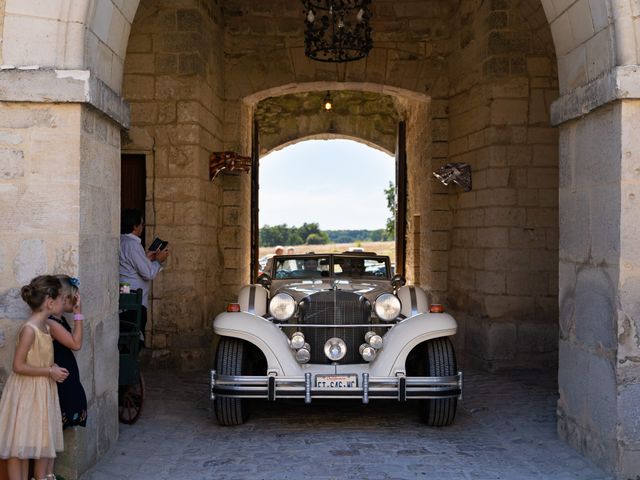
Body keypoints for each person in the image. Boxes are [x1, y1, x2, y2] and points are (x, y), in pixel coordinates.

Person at [0, 275, 69, 480]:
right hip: (26, 391)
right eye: (61, 299)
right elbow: (18, 365)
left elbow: (39, 358)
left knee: (40, 437)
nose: (63, 303)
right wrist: (49, 371)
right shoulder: (29, 330)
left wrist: (51, 366)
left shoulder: (46, 327)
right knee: (18, 442)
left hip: (42, 389)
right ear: (50, 302)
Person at [119, 208, 169, 345]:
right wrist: (159, 260)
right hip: (135, 302)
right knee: (133, 342)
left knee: (127, 339)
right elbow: (148, 273)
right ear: (135, 226)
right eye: (141, 224)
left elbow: (130, 265)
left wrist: (146, 257)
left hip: (125, 297)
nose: (142, 227)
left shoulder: (121, 241)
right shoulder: (133, 245)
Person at [46, 276, 87, 429]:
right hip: (58, 375)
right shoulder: (51, 322)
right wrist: (78, 314)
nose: (76, 301)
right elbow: (76, 344)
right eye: (73, 296)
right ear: (64, 298)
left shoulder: (59, 319)